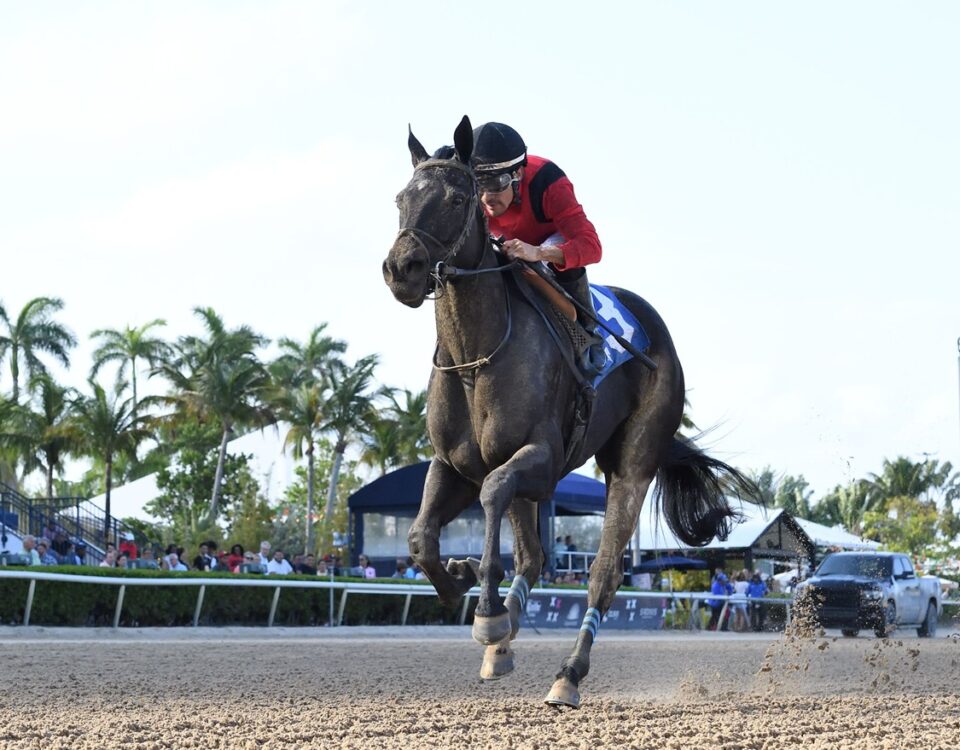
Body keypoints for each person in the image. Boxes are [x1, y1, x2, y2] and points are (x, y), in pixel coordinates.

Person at [469, 121, 605, 374]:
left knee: (531, 264)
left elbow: (592, 247)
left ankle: (587, 334)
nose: (487, 197)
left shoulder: (548, 181)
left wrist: (538, 252)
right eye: (480, 185)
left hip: (547, 242)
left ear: (517, 175)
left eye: (497, 184)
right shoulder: (473, 195)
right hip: (504, 242)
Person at [707, 567, 733, 631]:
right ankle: (714, 627)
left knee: (726, 613)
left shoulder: (723, 584)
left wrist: (728, 586)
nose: (725, 582)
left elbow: (730, 591)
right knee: (717, 616)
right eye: (724, 580)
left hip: (721, 602)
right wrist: (726, 595)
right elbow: (719, 597)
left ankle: (723, 627)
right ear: (720, 580)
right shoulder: (715, 586)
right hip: (715, 603)